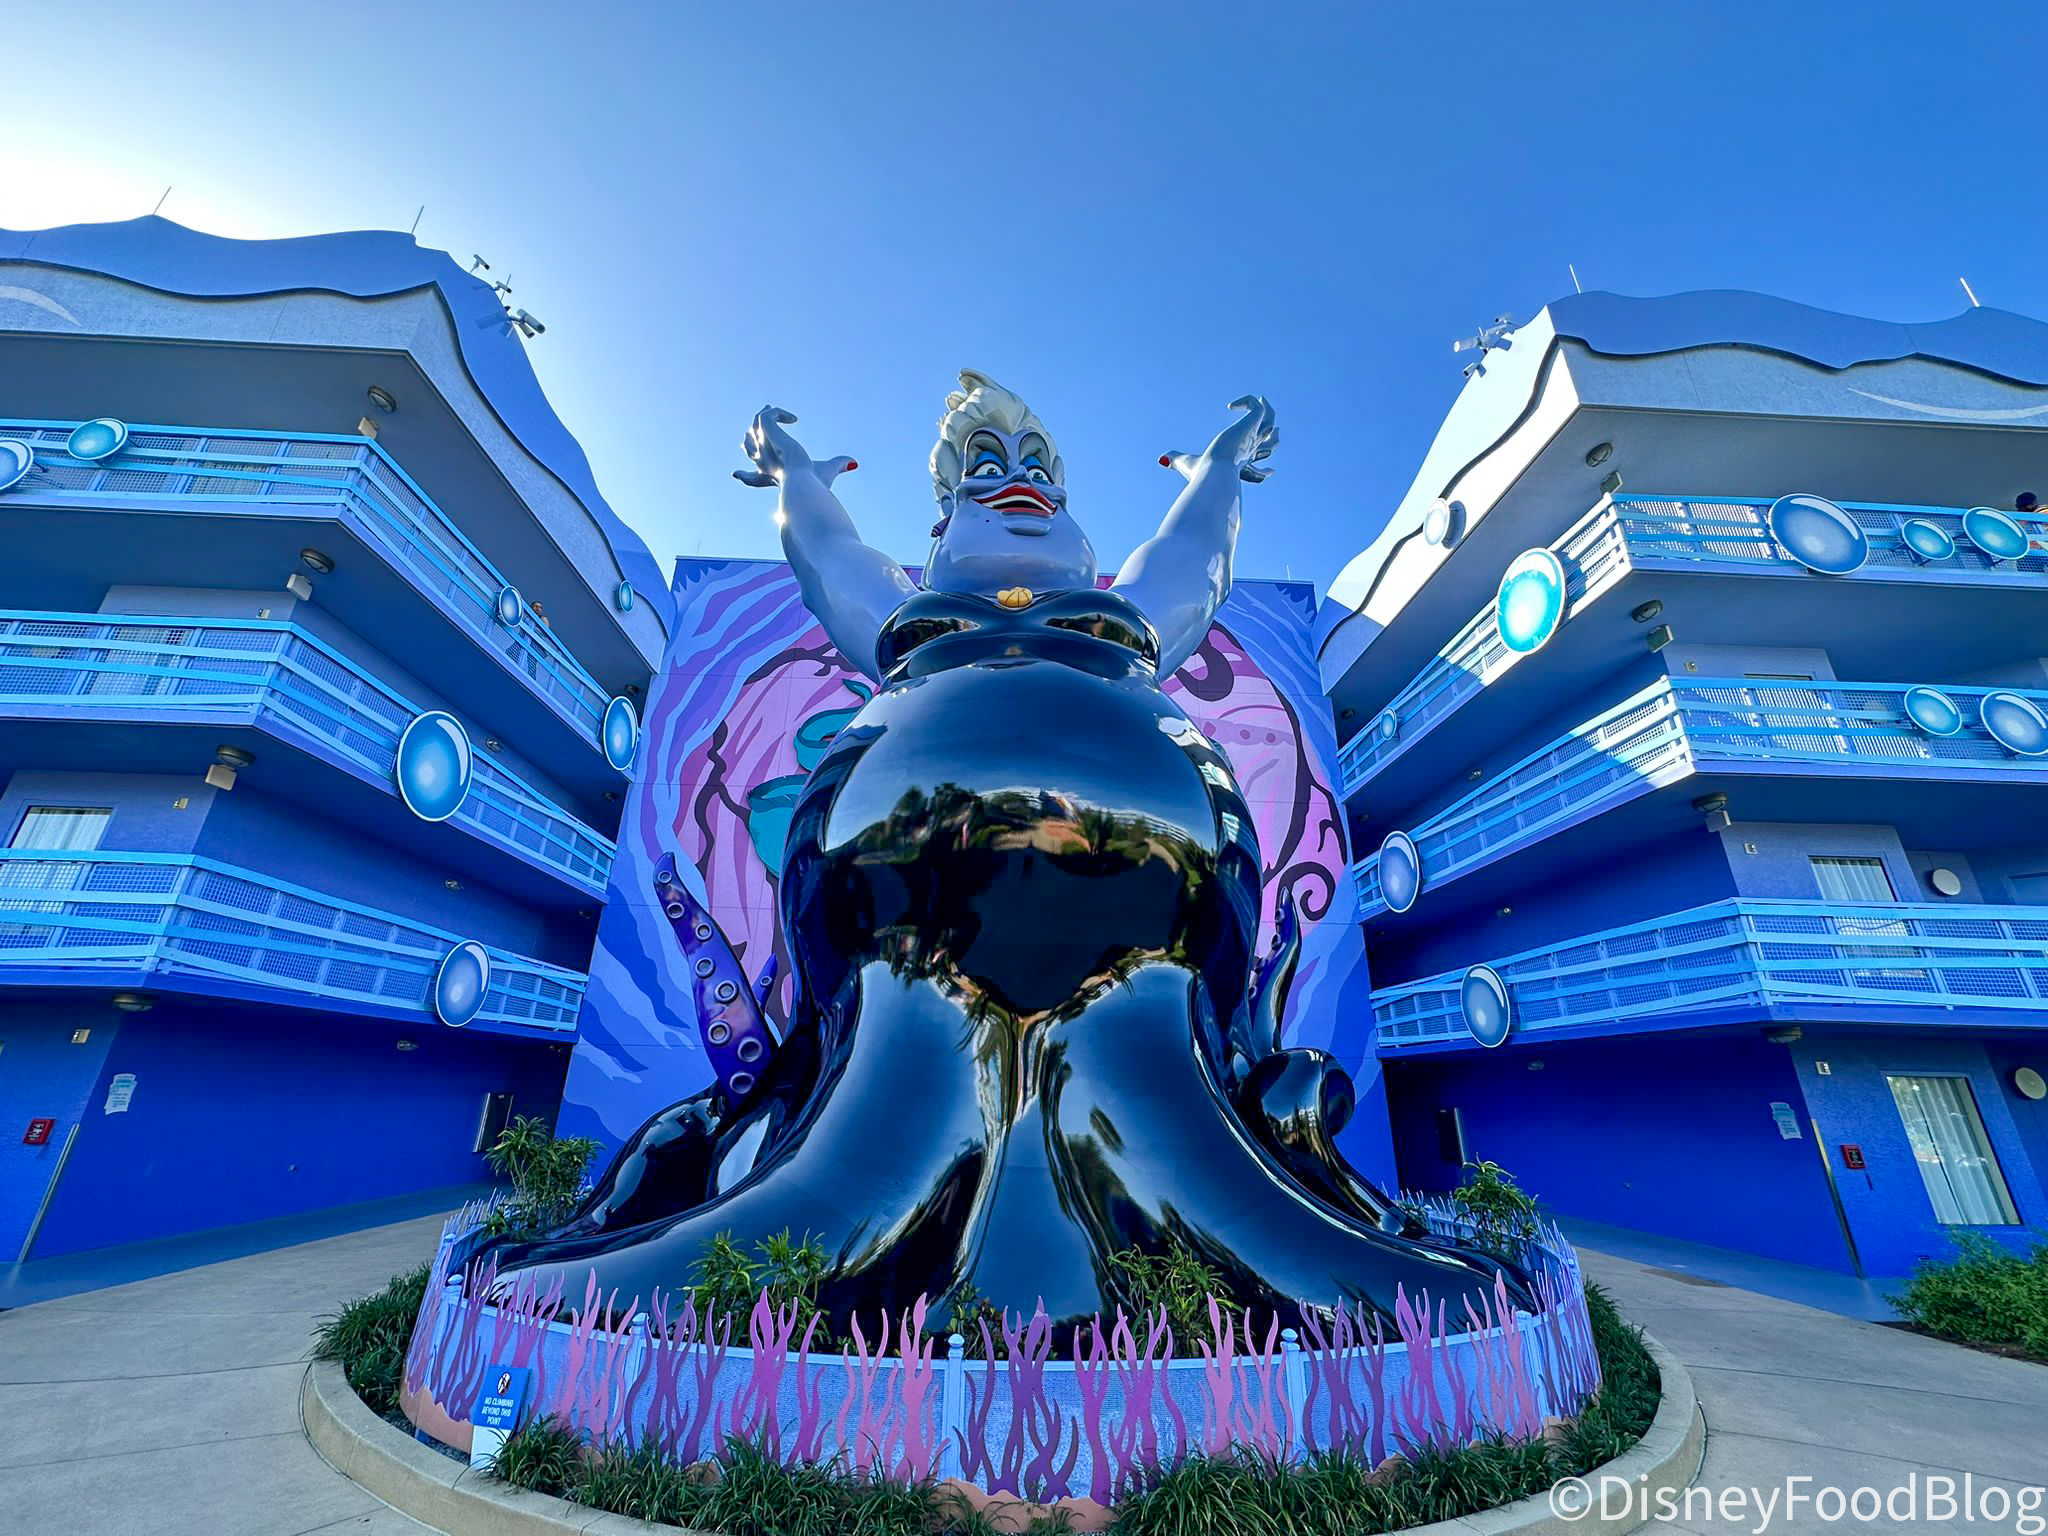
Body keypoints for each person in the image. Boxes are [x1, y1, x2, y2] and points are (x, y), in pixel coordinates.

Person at [482, 373, 1527, 1335]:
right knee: (867, 1146)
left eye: (1039, 468)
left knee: (1169, 1111)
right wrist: (795, 475)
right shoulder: (909, 628)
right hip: (901, 923)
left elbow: (1190, 558)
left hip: (1156, 922)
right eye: (985, 466)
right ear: (939, 525)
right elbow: (828, 558)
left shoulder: (1123, 628)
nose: (1020, 479)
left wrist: (1218, 469)